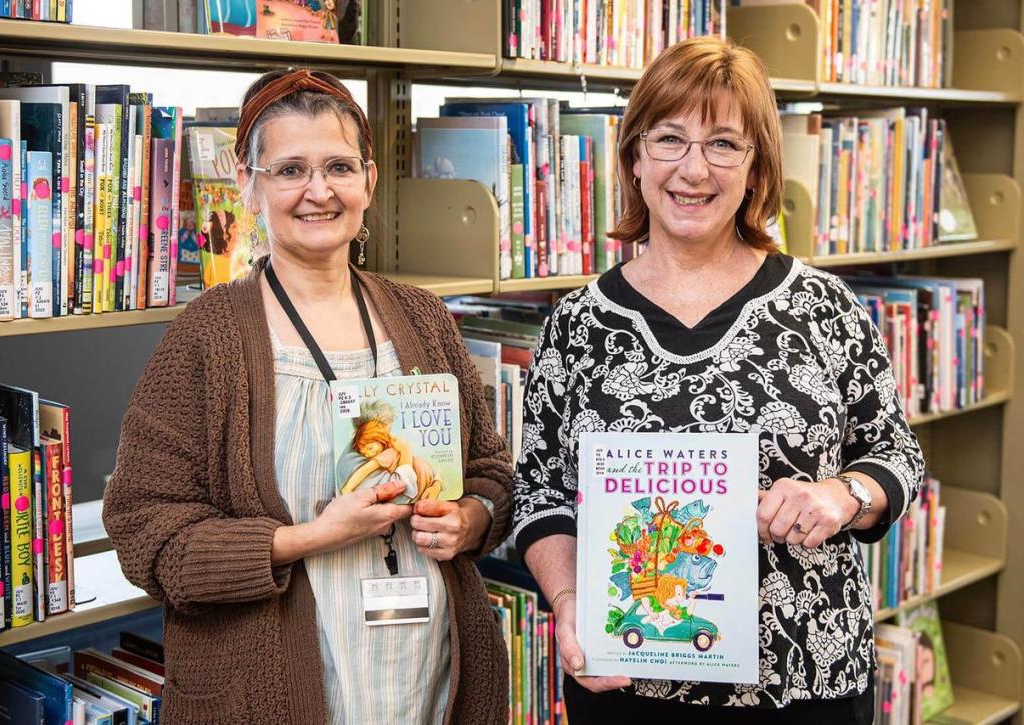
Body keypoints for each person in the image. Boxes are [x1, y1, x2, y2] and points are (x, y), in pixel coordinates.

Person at [511, 36, 924, 723]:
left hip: (803, 680)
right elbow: (539, 491)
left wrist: (841, 495)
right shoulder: (576, 323)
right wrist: (567, 597)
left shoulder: (823, 307)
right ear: (635, 157)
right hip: (630, 683)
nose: (693, 169)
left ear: (755, 168)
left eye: (723, 144)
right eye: (669, 139)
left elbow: (894, 454)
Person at [103, 68, 512, 724]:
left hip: (432, 687)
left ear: (369, 181)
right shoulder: (206, 337)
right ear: (247, 183)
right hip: (271, 696)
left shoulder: (422, 317)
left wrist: (472, 518)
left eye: (339, 167)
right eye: (289, 169)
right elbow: (145, 536)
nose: (317, 191)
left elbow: (491, 471)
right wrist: (302, 538)